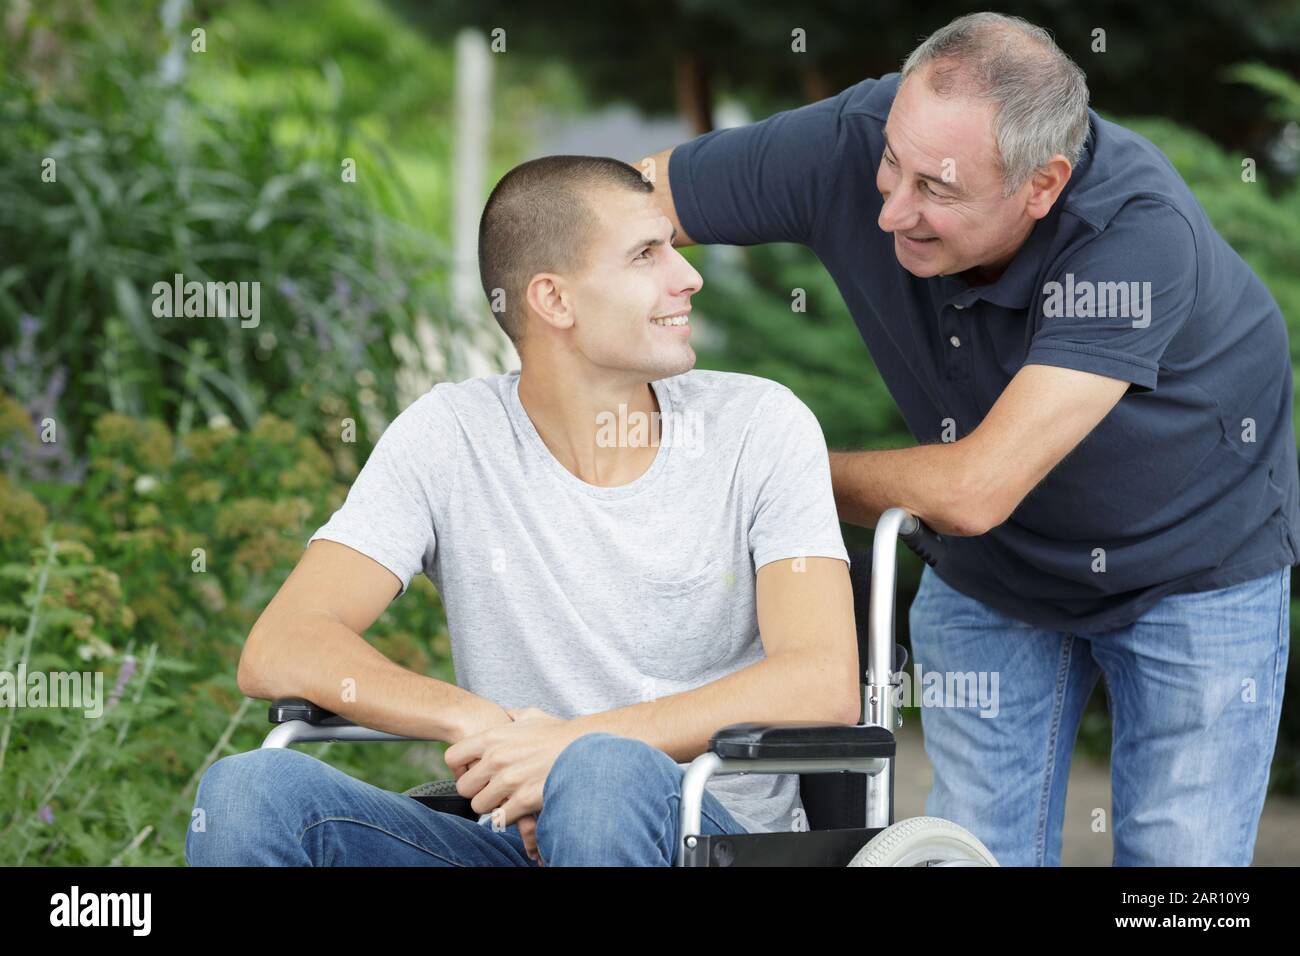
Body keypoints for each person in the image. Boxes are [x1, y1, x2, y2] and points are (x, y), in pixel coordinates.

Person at [639, 11, 1298, 865]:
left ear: (1042, 185)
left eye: (938, 191)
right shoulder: (857, 139)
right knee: (972, 851)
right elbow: (607, 204)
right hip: (995, 577)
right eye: (892, 167)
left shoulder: (1134, 236)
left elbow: (972, 491)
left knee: (1181, 873)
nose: (892, 211)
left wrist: (759, 470)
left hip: (1195, 564)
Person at [186, 155, 860, 867]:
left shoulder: (759, 424)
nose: (687, 276)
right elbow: (282, 646)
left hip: (707, 841)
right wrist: (484, 725)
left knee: (600, 773)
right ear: (553, 300)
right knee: (248, 791)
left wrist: (572, 751)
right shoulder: (449, 434)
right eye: (645, 254)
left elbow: (821, 679)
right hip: (511, 845)